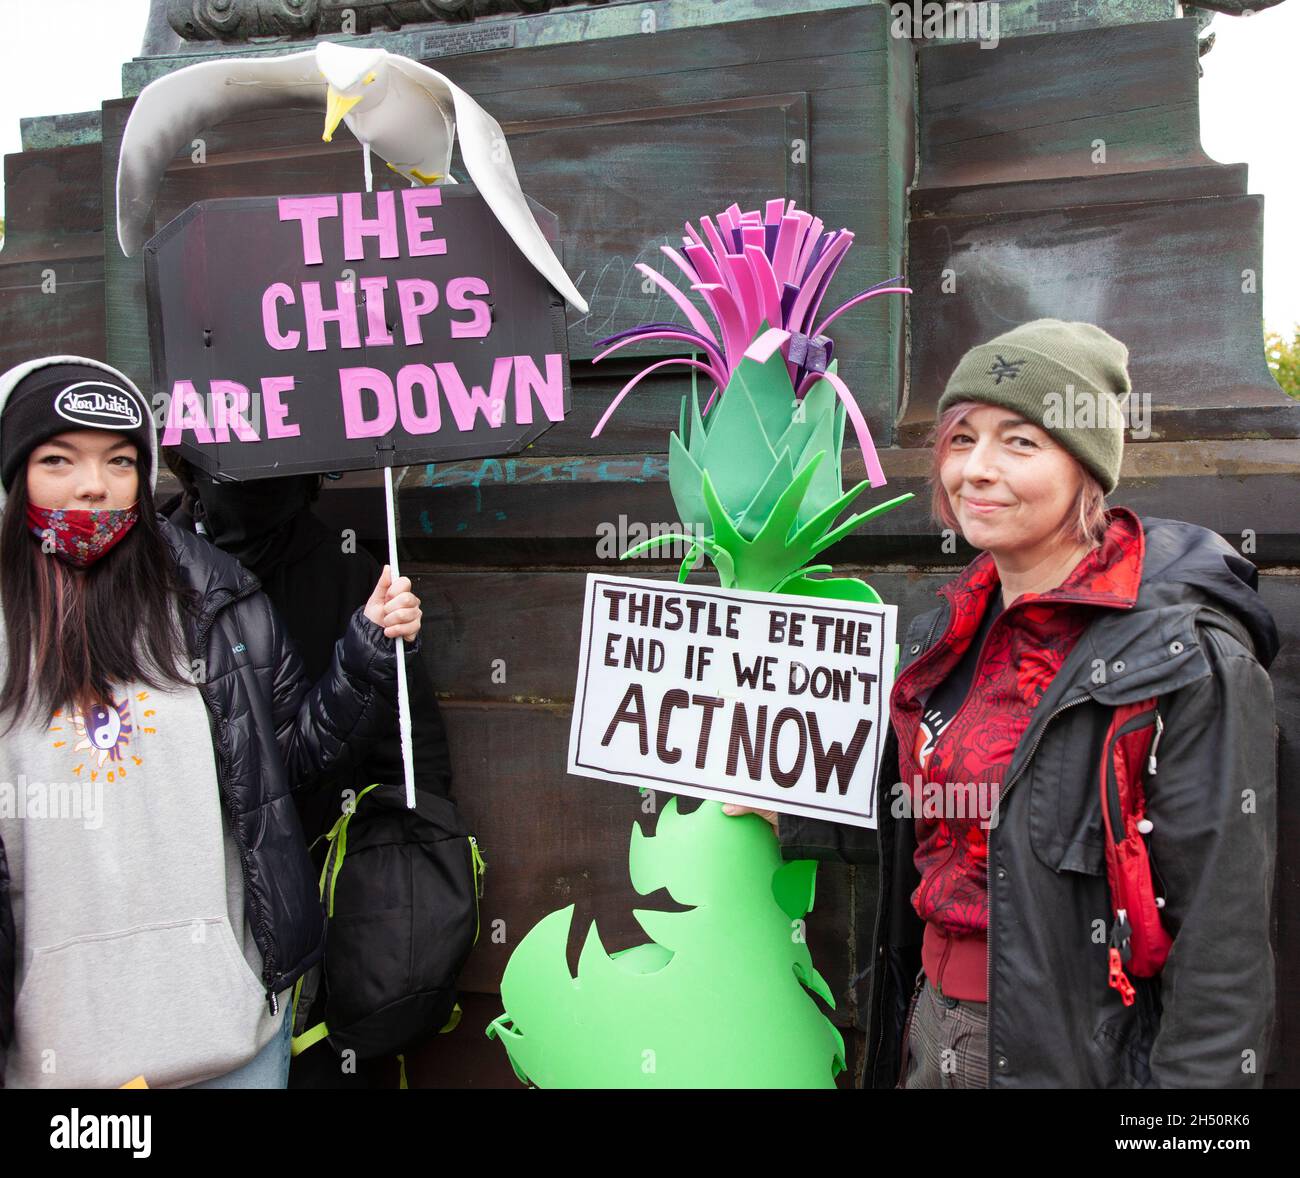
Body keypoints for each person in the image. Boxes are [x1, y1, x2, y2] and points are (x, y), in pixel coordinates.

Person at [727, 319, 1279, 1088]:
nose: (977, 470)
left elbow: (1221, 950)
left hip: (1069, 1054)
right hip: (929, 1026)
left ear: (1086, 467)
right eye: (962, 439)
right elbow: (940, 817)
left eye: (1021, 442)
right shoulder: (943, 634)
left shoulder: (1187, 659)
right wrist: (799, 813)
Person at [0, 355, 425, 1089]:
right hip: (56, 1060)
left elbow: (286, 762)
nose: (92, 483)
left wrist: (363, 652)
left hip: (230, 1040)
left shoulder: (220, 605)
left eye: (119, 462)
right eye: (58, 459)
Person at [158, 458, 455, 1089]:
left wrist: (415, 876)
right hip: (187, 907)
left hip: (329, 899)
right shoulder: (156, 570)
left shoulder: (352, 575)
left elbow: (412, 750)